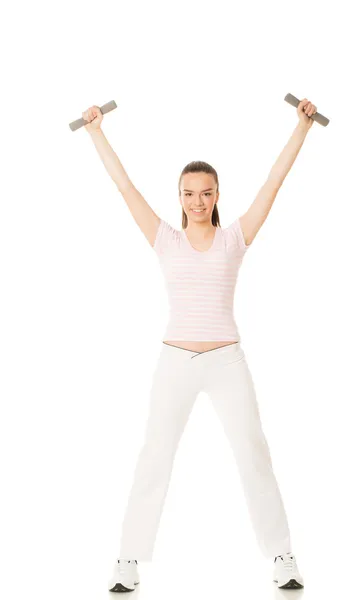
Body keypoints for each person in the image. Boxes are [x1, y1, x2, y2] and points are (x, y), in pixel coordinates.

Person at [81, 98, 317, 592]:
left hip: (227, 360)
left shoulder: (235, 238)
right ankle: (128, 560)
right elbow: (124, 186)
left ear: (215, 195)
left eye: (205, 193)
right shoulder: (165, 238)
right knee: (155, 455)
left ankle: (283, 556)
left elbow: (273, 183)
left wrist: (302, 127)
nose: (197, 201)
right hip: (175, 362)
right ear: (180, 196)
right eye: (189, 193)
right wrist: (96, 132)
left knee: (254, 453)